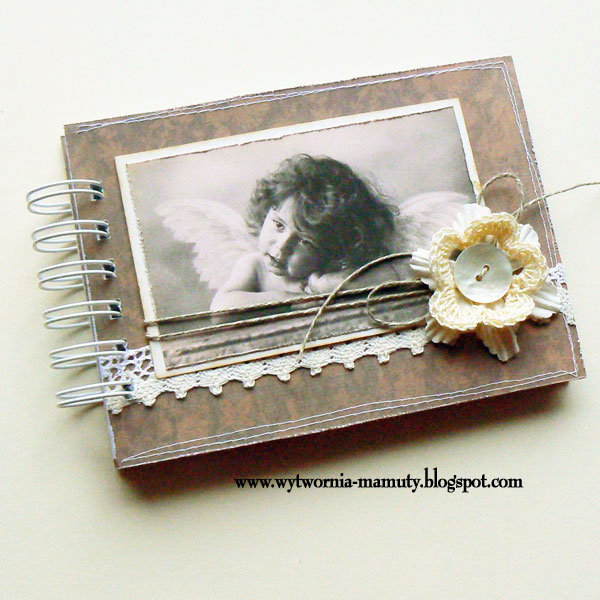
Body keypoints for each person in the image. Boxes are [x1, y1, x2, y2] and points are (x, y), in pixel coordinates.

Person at [210, 154, 396, 311]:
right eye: (279, 225)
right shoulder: (255, 267)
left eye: (305, 241)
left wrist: (341, 284)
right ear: (266, 210)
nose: (282, 247)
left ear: (332, 250)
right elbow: (220, 308)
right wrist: (288, 300)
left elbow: (396, 277)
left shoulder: (330, 274)